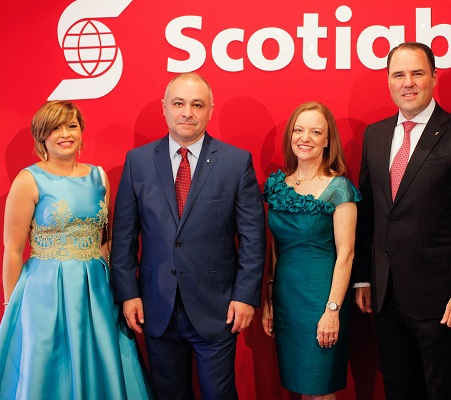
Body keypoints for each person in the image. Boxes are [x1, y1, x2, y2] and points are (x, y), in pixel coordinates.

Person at [111, 72, 266, 400]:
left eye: (197, 105)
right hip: (156, 306)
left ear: (210, 110)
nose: (187, 113)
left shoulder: (236, 162)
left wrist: (245, 296)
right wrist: (128, 293)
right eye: (179, 103)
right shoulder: (138, 162)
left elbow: (253, 237)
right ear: (164, 107)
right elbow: (124, 235)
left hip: (218, 307)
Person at [353, 42, 451, 399]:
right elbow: (368, 213)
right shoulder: (375, 134)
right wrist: (364, 278)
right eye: (398, 75)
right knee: (399, 389)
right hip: (385, 295)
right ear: (388, 80)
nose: (408, 83)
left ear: (433, 77)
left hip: (441, 299)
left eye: (417, 73)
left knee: (444, 390)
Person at [0, 100, 152, 399]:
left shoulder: (99, 177)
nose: (65, 134)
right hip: (44, 292)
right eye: (55, 128)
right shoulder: (28, 180)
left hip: (95, 289)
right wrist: (12, 304)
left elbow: (105, 239)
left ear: (81, 131)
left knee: (100, 360)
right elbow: (13, 250)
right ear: (41, 136)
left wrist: (111, 286)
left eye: (72, 126)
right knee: (46, 365)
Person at [261, 101, 361, 399]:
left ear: (328, 141)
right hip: (286, 300)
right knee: (302, 387)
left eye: (316, 132)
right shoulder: (277, 186)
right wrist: (269, 298)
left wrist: (332, 310)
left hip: (322, 298)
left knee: (320, 389)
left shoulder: (339, 188)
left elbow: (347, 254)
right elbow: (276, 247)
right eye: (299, 130)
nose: (305, 138)